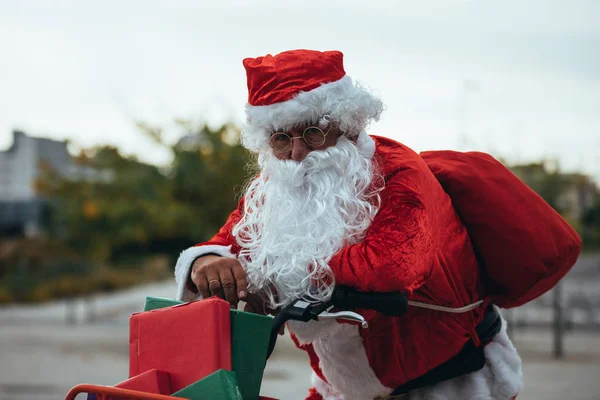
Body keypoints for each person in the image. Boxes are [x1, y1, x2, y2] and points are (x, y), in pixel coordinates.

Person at [173, 49, 523, 399]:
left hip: (447, 381)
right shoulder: (275, 184)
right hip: (339, 387)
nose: (297, 154)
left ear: (348, 126)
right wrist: (205, 263)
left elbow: (391, 266)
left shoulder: (399, 172)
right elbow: (227, 242)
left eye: (311, 133)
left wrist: (273, 275)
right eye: (281, 139)